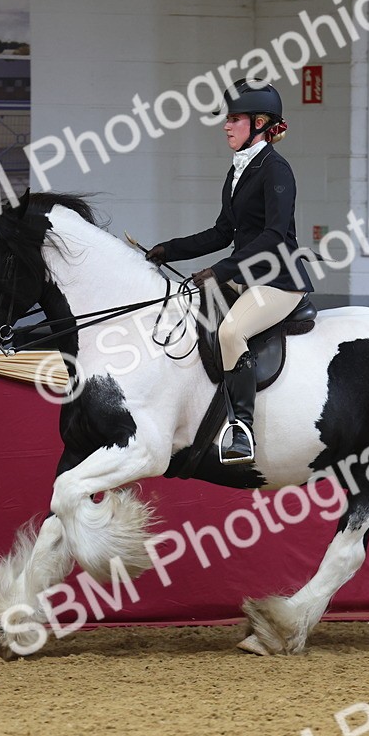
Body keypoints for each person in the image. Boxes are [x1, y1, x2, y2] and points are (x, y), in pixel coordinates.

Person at [147, 80, 314, 465]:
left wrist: (222, 270)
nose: (226, 126)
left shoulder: (277, 171)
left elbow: (274, 235)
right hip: (244, 278)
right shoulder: (238, 169)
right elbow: (224, 232)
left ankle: (241, 430)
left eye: (234, 119)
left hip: (277, 280)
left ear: (259, 123)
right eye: (228, 119)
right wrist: (169, 249)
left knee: (230, 331)